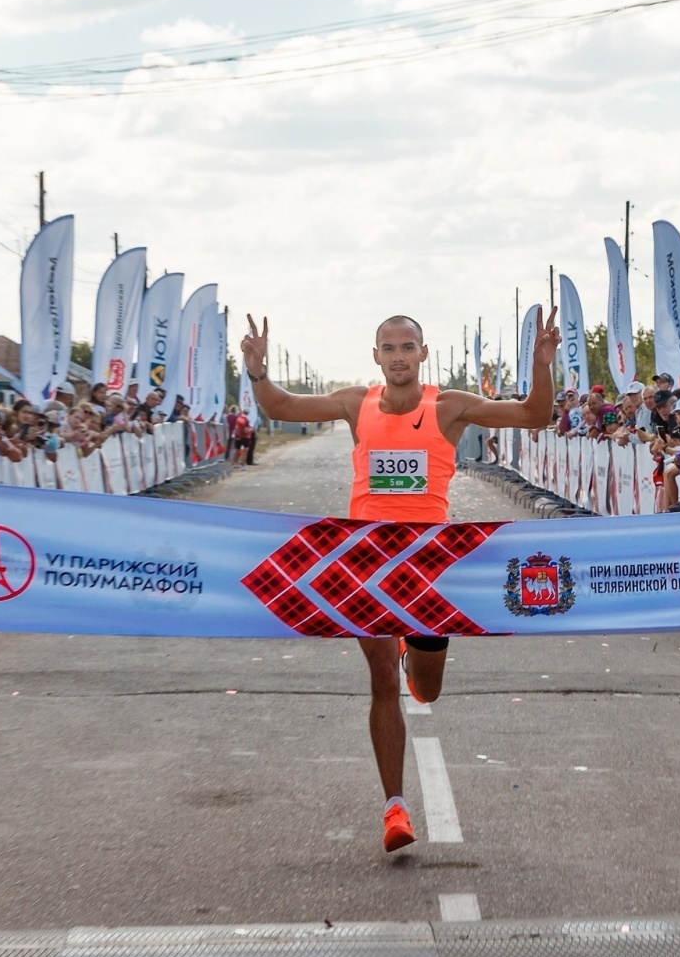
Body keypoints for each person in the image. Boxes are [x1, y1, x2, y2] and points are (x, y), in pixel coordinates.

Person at [237, 310, 559, 853]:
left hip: (429, 566)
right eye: (389, 348)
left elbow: (534, 414)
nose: (399, 356)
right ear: (377, 356)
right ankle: (395, 808)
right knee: (382, 681)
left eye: (407, 347)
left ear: (422, 353)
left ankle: (419, 655)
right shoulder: (354, 404)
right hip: (364, 562)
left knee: (425, 690)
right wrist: (257, 372)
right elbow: (281, 407)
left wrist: (541, 365)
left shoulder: (449, 407)